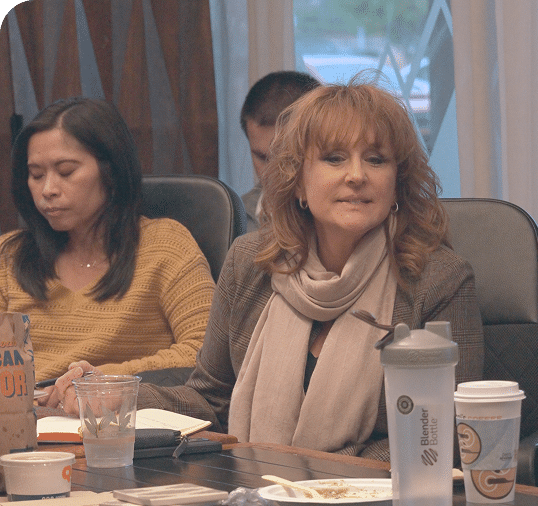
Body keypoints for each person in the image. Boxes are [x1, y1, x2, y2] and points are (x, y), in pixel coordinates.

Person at [54, 81, 483, 462]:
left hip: (375, 502)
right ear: (298, 181)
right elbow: (210, 400)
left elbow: (444, 433)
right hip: (257, 491)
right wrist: (119, 393)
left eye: (376, 159)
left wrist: (318, 470)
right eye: (334, 158)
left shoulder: (437, 280)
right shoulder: (251, 263)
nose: (356, 176)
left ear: (397, 181)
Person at [0, 97, 214, 391]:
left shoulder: (166, 246)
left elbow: (206, 354)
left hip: (122, 414)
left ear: (110, 171)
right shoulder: (9, 256)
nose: (47, 189)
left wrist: (102, 381)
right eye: (36, 175)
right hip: (26, 415)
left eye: (66, 171)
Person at [240, 71, 319, 231]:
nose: (271, 173)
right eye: (261, 157)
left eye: (286, 158)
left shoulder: (350, 221)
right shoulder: (231, 220)